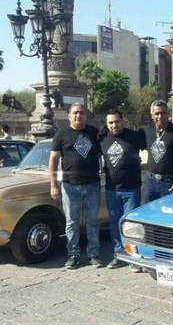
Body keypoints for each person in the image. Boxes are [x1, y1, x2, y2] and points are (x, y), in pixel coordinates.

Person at [49, 103, 103, 270]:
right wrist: (53, 185)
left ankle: (94, 253)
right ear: (69, 116)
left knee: (93, 222)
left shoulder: (94, 133)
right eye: (75, 113)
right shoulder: (61, 134)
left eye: (81, 113)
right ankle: (73, 254)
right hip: (70, 186)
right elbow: (53, 161)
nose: (78, 115)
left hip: (92, 185)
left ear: (85, 116)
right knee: (71, 223)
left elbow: (105, 152)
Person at [98, 109, 144, 270]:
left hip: (132, 189)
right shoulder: (102, 139)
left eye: (117, 121)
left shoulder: (135, 136)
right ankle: (119, 254)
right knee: (114, 224)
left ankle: (134, 257)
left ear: (122, 121)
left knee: (131, 225)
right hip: (111, 189)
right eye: (110, 122)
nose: (114, 125)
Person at [138, 100, 173, 202]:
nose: (160, 116)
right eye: (157, 113)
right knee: (148, 214)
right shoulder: (145, 130)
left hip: (170, 181)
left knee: (169, 213)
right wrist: (106, 131)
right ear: (152, 115)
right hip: (150, 182)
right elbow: (129, 141)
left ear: (167, 114)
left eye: (163, 113)